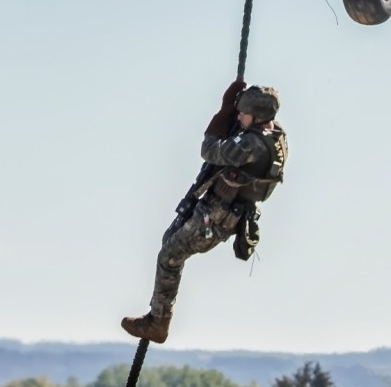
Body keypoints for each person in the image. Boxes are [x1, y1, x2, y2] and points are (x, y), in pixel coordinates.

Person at [121, 81, 288, 345]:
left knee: (169, 258)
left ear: (257, 117)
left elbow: (209, 151)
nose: (239, 118)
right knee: (170, 241)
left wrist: (223, 113)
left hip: (218, 216)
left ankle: (158, 323)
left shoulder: (251, 145)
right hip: (219, 209)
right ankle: (157, 314)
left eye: (243, 114)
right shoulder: (274, 134)